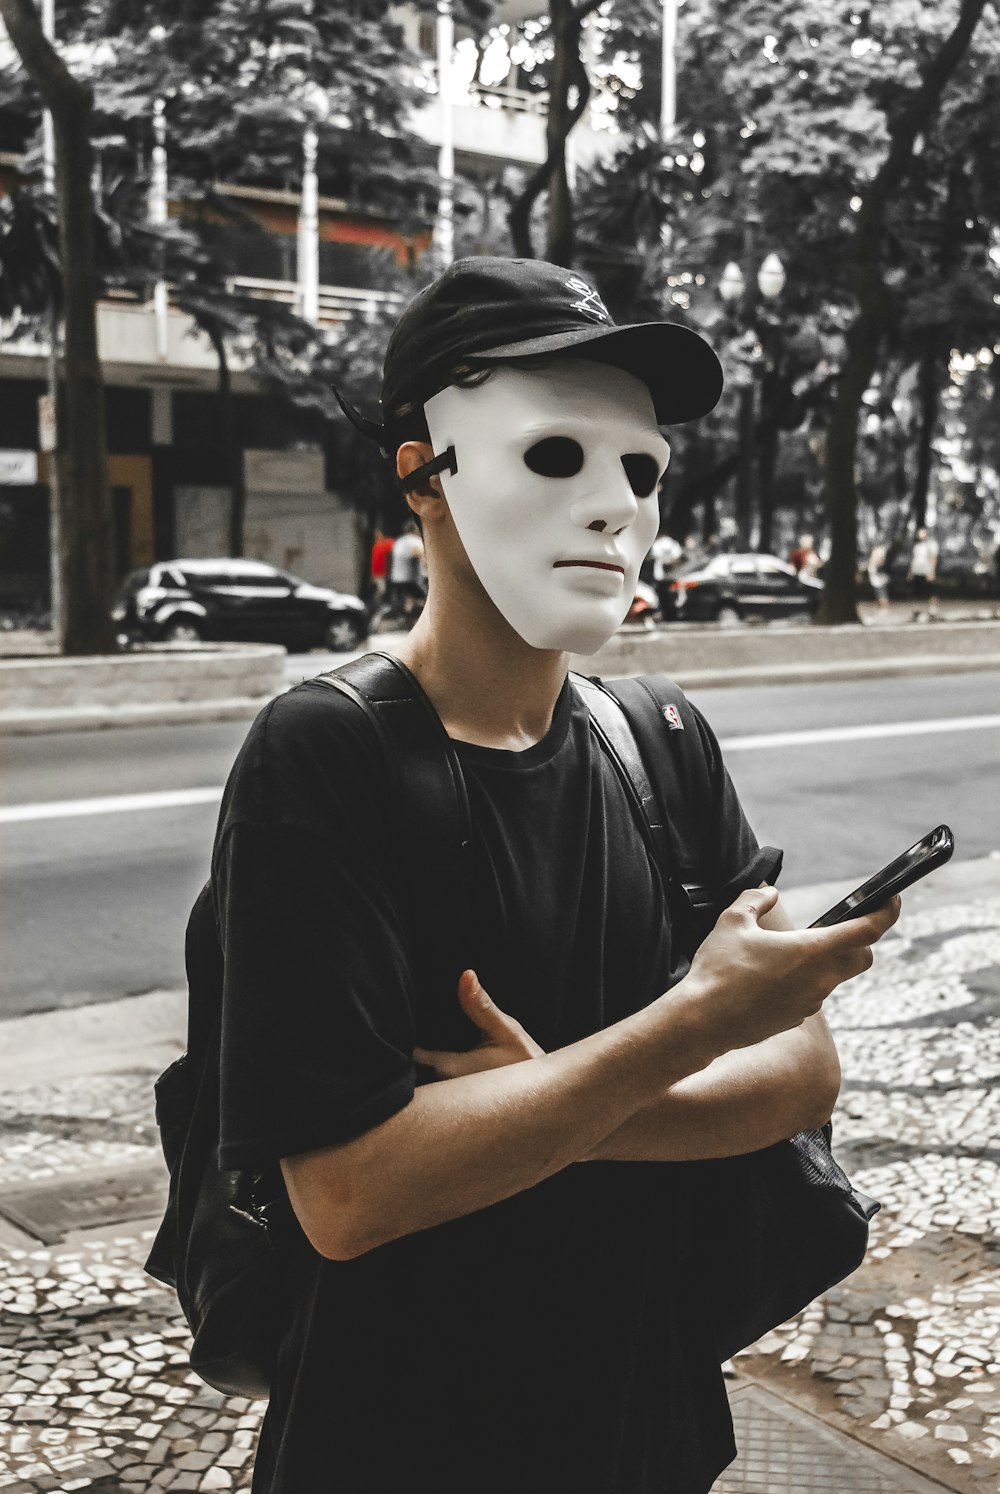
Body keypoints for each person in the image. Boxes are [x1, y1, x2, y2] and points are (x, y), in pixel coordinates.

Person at [210, 257, 899, 1494]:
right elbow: (350, 1191)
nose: (615, 510)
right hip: (401, 1428)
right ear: (422, 471)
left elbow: (800, 1071)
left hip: (643, 1406)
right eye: (553, 456)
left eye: (640, 468)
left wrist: (542, 1114)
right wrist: (694, 1026)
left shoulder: (660, 738)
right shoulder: (329, 751)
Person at [386, 517, 426, 619]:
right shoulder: (415, 541)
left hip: (395, 578)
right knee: (426, 599)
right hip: (409, 579)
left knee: (408, 600)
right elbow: (423, 557)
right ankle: (414, 620)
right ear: (415, 529)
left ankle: (405, 619)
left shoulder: (398, 541)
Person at [908, 526, 939, 616]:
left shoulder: (931, 544)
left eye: (923, 533)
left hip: (927, 571)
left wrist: (932, 571)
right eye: (919, 533)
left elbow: (933, 558)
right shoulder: (917, 546)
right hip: (917, 571)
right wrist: (910, 572)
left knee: (930, 591)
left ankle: (933, 609)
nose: (921, 535)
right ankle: (917, 610)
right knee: (917, 592)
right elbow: (914, 559)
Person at [368, 527, 394, 604]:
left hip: (381, 573)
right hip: (378, 574)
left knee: (382, 590)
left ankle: (377, 604)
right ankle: (376, 604)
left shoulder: (383, 543)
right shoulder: (377, 545)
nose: (376, 535)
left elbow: (392, 545)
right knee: (382, 590)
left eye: (378, 533)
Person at [867, 540, 889, 611]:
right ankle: (881, 604)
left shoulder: (880, 550)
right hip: (875, 572)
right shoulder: (877, 550)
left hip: (879, 573)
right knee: (878, 590)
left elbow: (880, 561)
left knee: (881, 589)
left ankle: (884, 605)